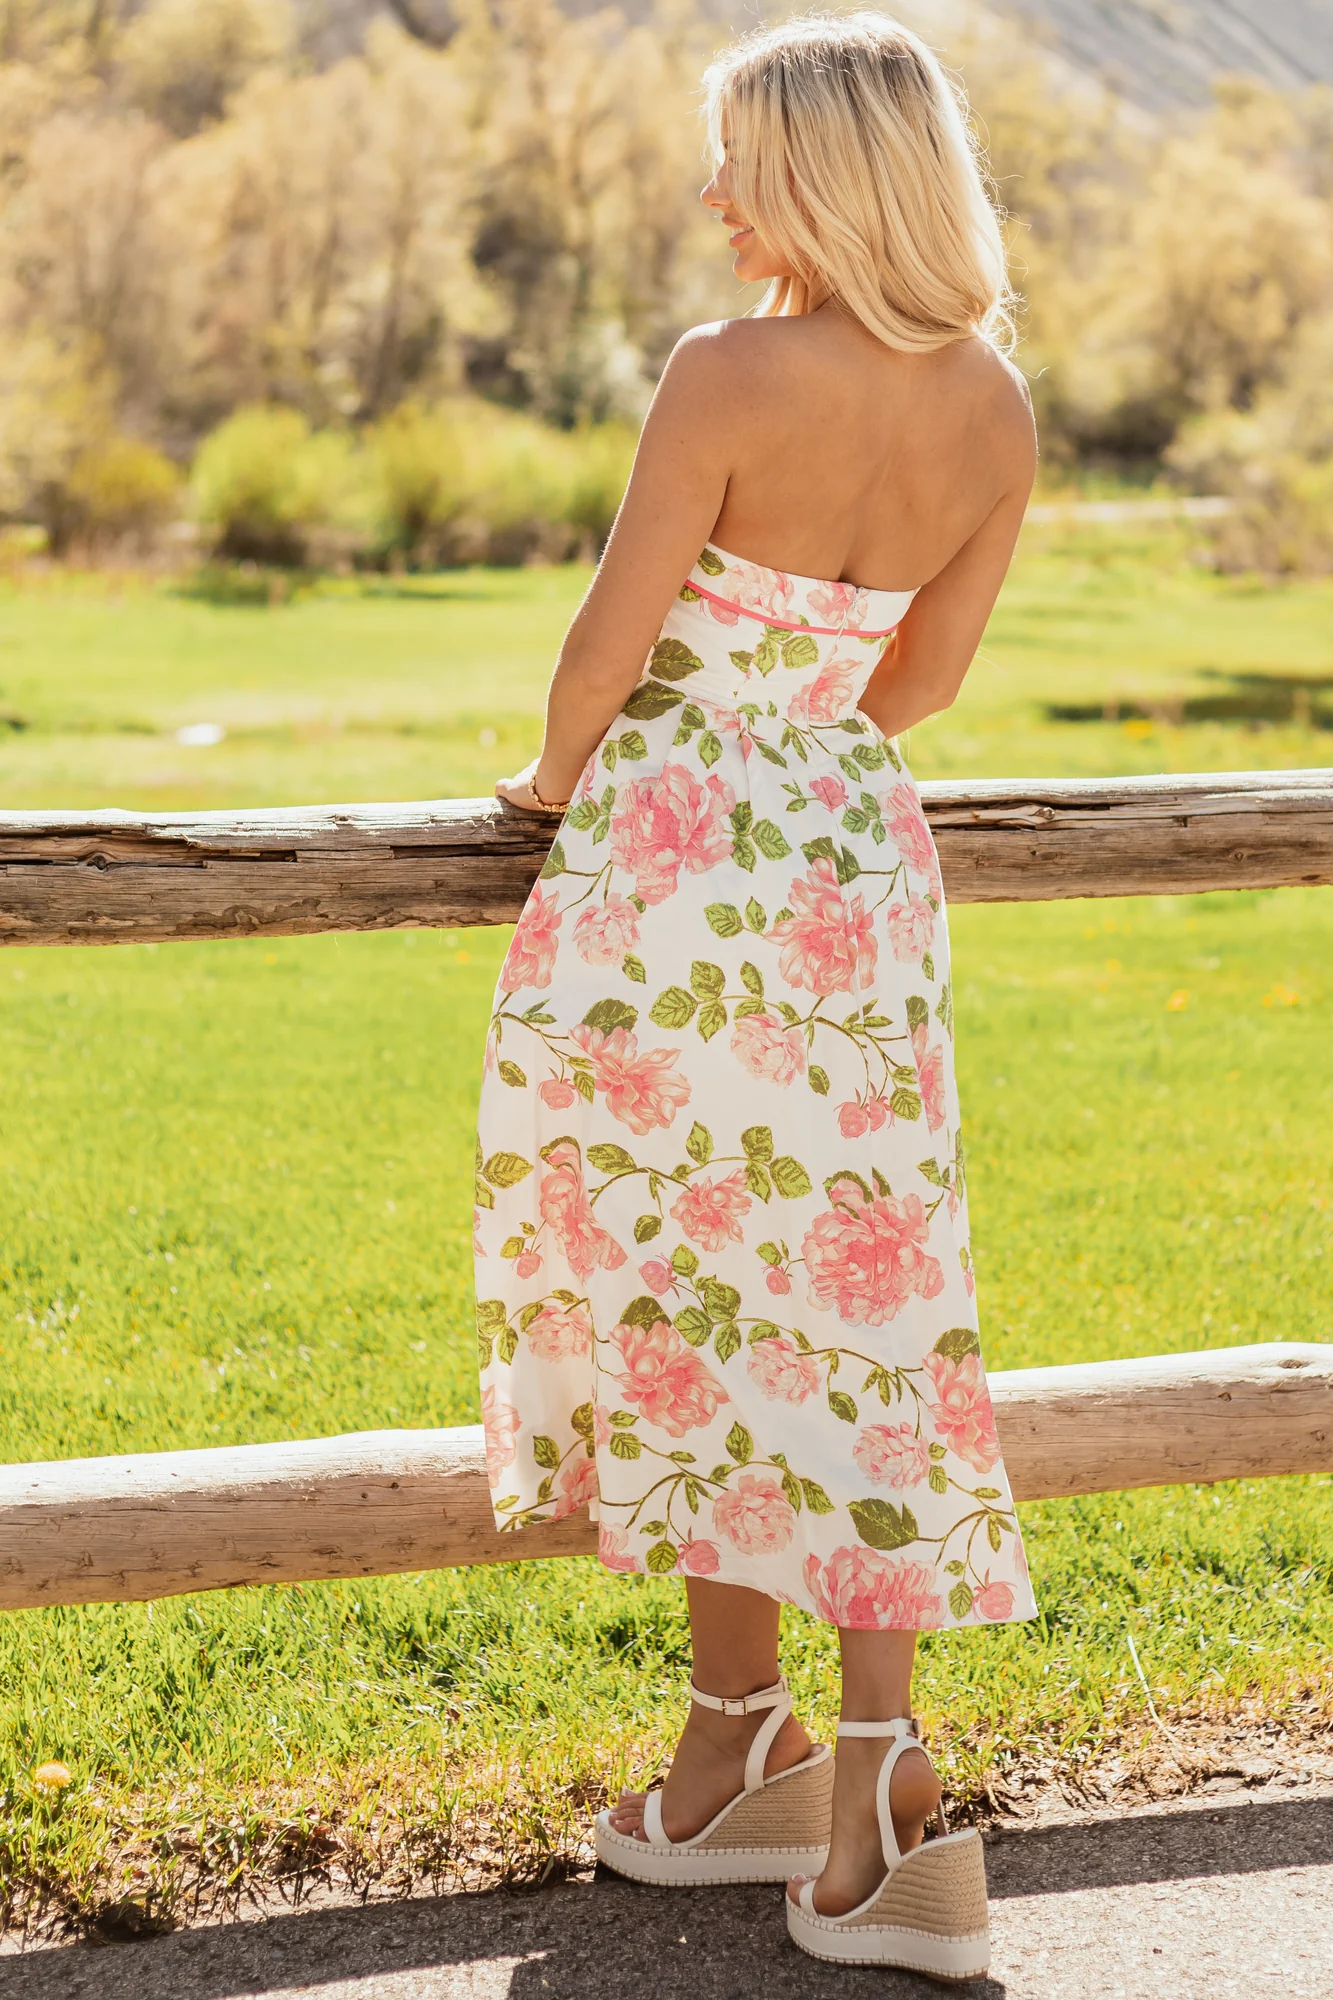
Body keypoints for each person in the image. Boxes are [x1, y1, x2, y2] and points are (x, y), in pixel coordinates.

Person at [476, 11, 1037, 1976]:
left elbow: (601, 651)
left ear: (808, 173)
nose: (713, 195)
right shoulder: (992, 406)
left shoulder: (725, 370)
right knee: (859, 1306)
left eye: (733, 159)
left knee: (689, 1281)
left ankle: (763, 1748)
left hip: (673, 866)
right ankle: (836, 1764)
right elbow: (928, 684)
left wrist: (557, 788)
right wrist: (804, 756)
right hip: (855, 871)